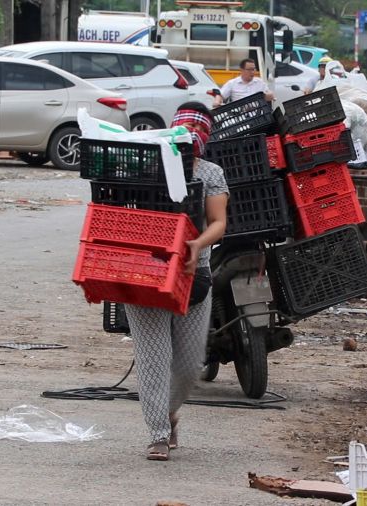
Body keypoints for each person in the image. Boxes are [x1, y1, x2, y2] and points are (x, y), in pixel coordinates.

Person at [123, 101, 229, 461]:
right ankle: (157, 432)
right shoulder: (146, 164)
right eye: (186, 128)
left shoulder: (211, 172)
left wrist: (197, 244)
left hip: (192, 275)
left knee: (188, 363)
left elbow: (218, 220)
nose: (191, 137)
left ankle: (169, 413)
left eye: (198, 130)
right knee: (153, 355)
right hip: (147, 271)